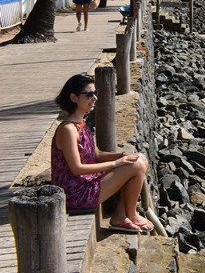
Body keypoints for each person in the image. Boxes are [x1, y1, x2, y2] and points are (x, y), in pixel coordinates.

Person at [51, 74, 152, 232]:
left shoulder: (81, 124)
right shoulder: (67, 130)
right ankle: (130, 214)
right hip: (75, 194)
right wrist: (116, 163)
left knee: (139, 160)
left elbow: (96, 155)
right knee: (136, 166)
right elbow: (77, 168)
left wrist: (122, 156)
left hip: (86, 184)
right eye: (89, 95)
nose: (95, 98)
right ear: (74, 97)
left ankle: (120, 215)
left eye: (95, 93)